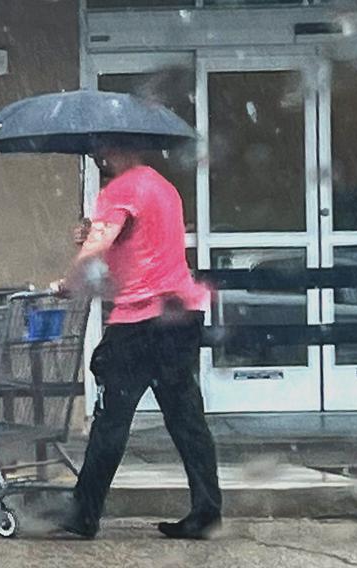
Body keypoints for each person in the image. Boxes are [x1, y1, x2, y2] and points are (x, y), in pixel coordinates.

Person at [53, 145, 222, 540]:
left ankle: (83, 513)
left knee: (112, 419)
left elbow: (100, 248)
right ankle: (206, 511)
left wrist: (69, 281)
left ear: (124, 147)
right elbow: (138, 247)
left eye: (104, 149)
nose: (98, 156)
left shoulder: (120, 190)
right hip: (180, 317)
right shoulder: (165, 189)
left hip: (140, 322)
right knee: (186, 419)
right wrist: (91, 232)